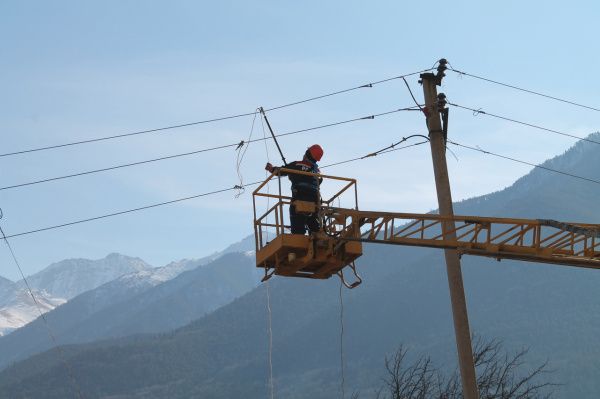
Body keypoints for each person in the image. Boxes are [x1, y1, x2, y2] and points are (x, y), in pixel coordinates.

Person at [265, 144, 324, 235]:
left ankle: (298, 234)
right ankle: (316, 234)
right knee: (314, 225)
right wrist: (294, 176)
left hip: (299, 200)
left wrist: (272, 169)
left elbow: (281, 171)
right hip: (315, 203)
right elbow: (315, 182)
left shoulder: (298, 164)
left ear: (308, 154)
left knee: (298, 227)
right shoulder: (318, 172)